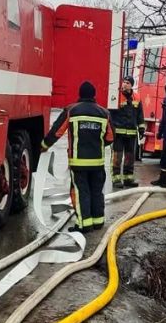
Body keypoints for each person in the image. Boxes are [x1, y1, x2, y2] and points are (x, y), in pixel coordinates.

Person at [42, 81, 115, 233]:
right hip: (98, 162)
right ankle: (98, 221)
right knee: (96, 190)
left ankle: (83, 224)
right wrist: (97, 144)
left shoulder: (72, 110)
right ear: (94, 95)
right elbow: (110, 137)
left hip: (78, 162)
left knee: (81, 192)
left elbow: (56, 132)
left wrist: (44, 146)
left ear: (80, 94)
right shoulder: (104, 113)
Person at [110, 75, 146, 188]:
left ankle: (128, 179)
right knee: (117, 157)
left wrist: (141, 128)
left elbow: (140, 114)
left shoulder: (136, 97)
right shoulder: (116, 96)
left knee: (130, 157)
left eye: (127, 83)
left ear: (131, 85)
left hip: (131, 133)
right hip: (118, 133)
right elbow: (110, 114)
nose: (124, 84)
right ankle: (116, 179)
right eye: (124, 82)